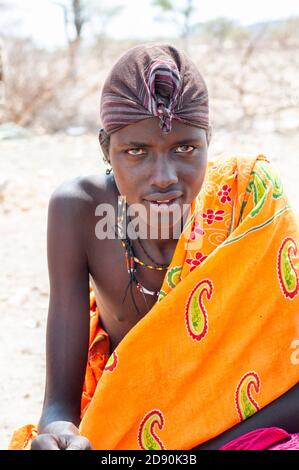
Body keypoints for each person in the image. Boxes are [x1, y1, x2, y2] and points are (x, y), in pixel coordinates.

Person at [9, 44, 299, 451]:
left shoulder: (249, 200)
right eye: (136, 152)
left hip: (244, 430)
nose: (163, 177)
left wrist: (201, 447)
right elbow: (59, 403)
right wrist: (59, 433)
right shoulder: (77, 211)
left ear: (208, 141)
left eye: (185, 149)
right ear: (105, 148)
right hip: (129, 425)